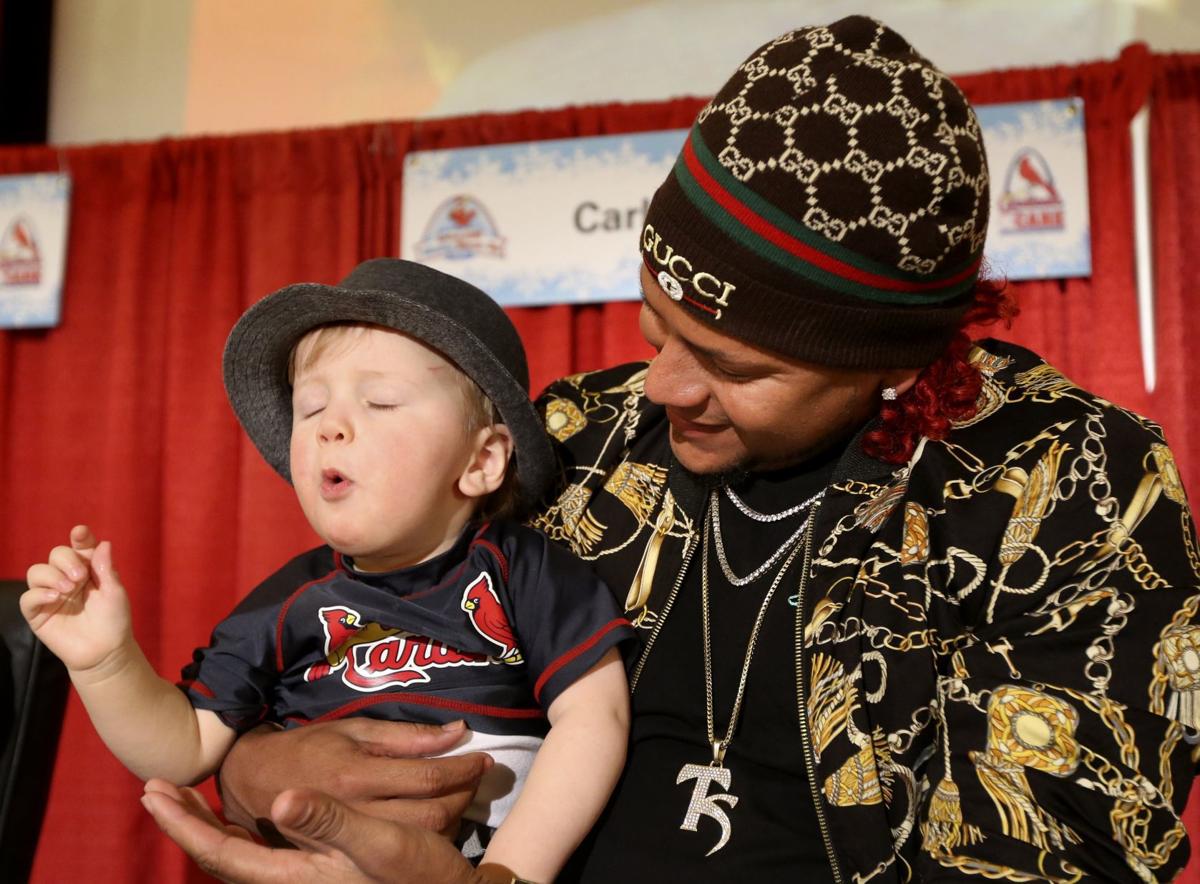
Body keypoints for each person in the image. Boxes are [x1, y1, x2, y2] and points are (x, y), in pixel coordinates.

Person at [142, 14, 1200, 884]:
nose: (662, 388)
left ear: (892, 356)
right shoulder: (572, 443)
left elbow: (1069, 854)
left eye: (733, 368)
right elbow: (340, 640)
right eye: (656, 331)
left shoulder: (1070, 486)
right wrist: (267, 773)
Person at [24, 259, 636, 884]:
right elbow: (183, 748)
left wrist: (509, 875)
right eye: (310, 408)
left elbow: (595, 717)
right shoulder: (286, 600)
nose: (330, 429)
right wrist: (104, 663)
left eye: (380, 401)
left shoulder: (519, 569)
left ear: (480, 460)